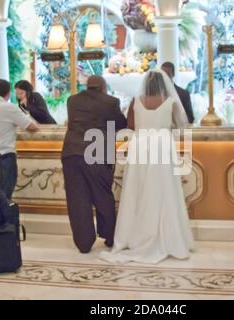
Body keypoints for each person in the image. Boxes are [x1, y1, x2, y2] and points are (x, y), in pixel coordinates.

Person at [100, 70, 195, 264]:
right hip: (162, 144)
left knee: (137, 190)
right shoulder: (171, 101)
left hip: (140, 145)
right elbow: (181, 124)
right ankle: (167, 236)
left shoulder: (136, 101)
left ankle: (135, 235)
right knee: (164, 190)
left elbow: (131, 125)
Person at [62, 76, 127, 254]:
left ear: (87, 86)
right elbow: (121, 124)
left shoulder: (72, 101)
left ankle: (83, 243)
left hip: (72, 153)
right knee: (102, 194)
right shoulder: (110, 102)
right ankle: (109, 236)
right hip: (97, 151)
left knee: (77, 199)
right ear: (103, 87)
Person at [0, 79, 39, 200]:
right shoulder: (10, 108)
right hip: (4, 158)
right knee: (4, 198)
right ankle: (3, 219)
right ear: (8, 93)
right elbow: (32, 127)